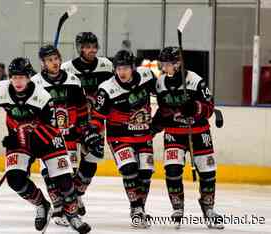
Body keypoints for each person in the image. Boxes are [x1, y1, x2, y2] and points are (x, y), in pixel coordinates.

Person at [0, 57, 91, 233]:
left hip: (48, 139)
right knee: (15, 180)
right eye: (14, 77)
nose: (18, 81)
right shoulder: (0, 89)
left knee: (64, 180)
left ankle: (72, 215)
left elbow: (52, 127)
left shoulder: (42, 96)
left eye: (22, 77)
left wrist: (24, 140)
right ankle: (42, 205)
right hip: (18, 139)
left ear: (29, 77)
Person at [152, 46, 224, 229]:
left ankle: (208, 208)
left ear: (177, 64)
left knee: (207, 172)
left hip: (198, 132)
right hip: (174, 134)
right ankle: (177, 207)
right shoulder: (160, 83)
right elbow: (163, 110)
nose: (163, 67)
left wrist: (195, 108)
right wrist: (154, 127)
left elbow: (209, 106)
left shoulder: (195, 81)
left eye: (167, 64)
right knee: (173, 170)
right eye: (163, 64)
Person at [89, 50, 156, 228]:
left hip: (143, 133)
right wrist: (94, 132)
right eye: (119, 68)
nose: (122, 72)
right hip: (119, 136)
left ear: (133, 67)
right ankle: (136, 209)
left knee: (146, 172)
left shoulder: (146, 75)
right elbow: (97, 116)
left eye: (125, 67)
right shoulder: (106, 89)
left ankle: (140, 207)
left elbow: (162, 94)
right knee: (129, 168)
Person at [32, 45, 88, 227]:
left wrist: (83, 131)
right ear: (42, 63)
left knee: (66, 175)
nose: (54, 62)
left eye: (56, 58)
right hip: (46, 138)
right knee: (49, 174)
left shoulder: (73, 81)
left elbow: (81, 110)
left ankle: (69, 207)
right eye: (49, 60)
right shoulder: (35, 83)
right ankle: (57, 206)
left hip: (69, 137)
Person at [61, 32, 114, 215]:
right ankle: (67, 203)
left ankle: (76, 195)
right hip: (74, 122)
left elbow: (115, 89)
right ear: (79, 48)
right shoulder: (66, 68)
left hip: (96, 122)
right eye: (86, 46)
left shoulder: (106, 65)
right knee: (71, 164)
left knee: (91, 163)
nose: (91, 50)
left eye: (93, 46)